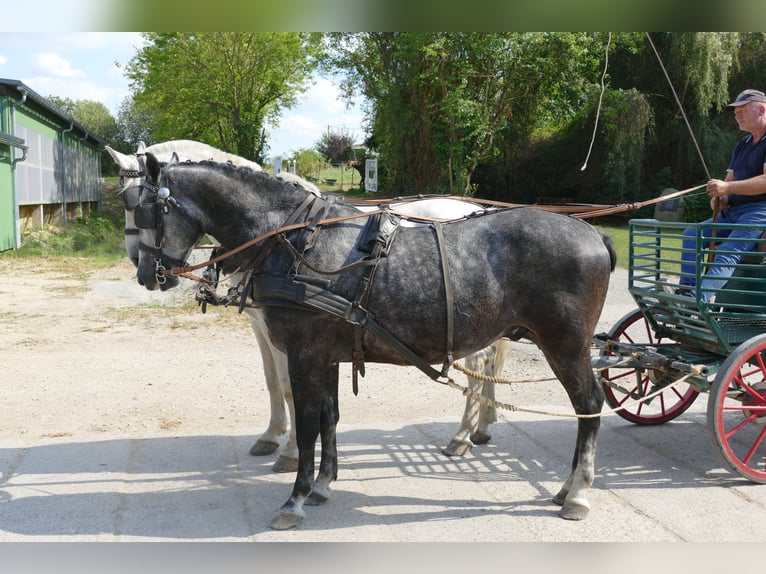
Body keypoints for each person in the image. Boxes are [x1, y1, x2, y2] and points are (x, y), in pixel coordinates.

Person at [678, 89, 766, 301]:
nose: (737, 114)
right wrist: (721, 197)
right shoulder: (743, 145)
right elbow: (729, 180)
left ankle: (699, 299)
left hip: (759, 212)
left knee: (727, 253)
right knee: (691, 235)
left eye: (742, 109)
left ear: (761, 109)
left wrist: (727, 189)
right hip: (733, 213)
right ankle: (686, 292)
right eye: (735, 110)